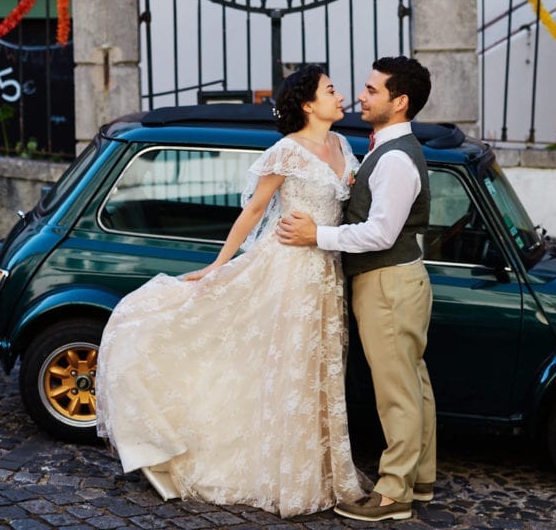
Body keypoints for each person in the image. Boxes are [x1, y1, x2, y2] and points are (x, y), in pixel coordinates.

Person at [95, 65, 369, 517]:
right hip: (288, 272)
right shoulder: (287, 152)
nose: (340, 96)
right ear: (307, 104)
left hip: (327, 274)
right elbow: (254, 210)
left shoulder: (342, 145)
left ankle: (319, 469)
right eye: (331, 90)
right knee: (289, 369)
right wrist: (219, 267)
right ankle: (275, 472)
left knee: (318, 369)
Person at [277, 55, 435, 522]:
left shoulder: (397, 159)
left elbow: (380, 234)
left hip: (388, 281)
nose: (360, 97)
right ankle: (419, 478)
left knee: (397, 391)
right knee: (413, 383)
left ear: (399, 101)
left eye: (372, 90)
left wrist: (316, 237)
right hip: (396, 279)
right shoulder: (385, 151)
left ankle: (392, 495)